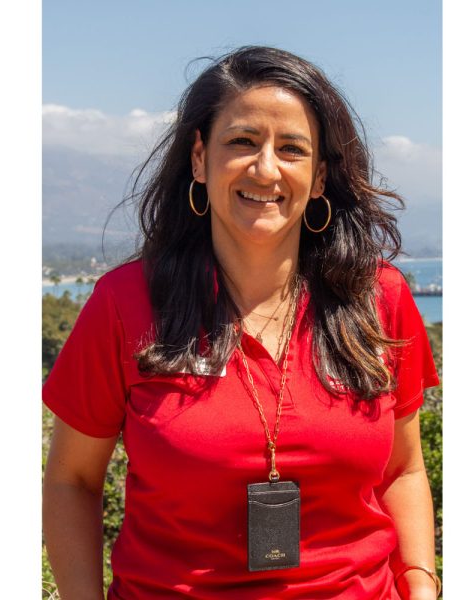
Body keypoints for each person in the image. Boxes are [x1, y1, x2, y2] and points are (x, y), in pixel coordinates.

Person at [43, 46, 439, 599]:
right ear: (200, 160)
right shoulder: (124, 303)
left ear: (320, 176)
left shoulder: (379, 299)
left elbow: (403, 470)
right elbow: (72, 482)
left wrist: (421, 584)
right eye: (243, 142)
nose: (266, 168)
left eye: (293, 149)